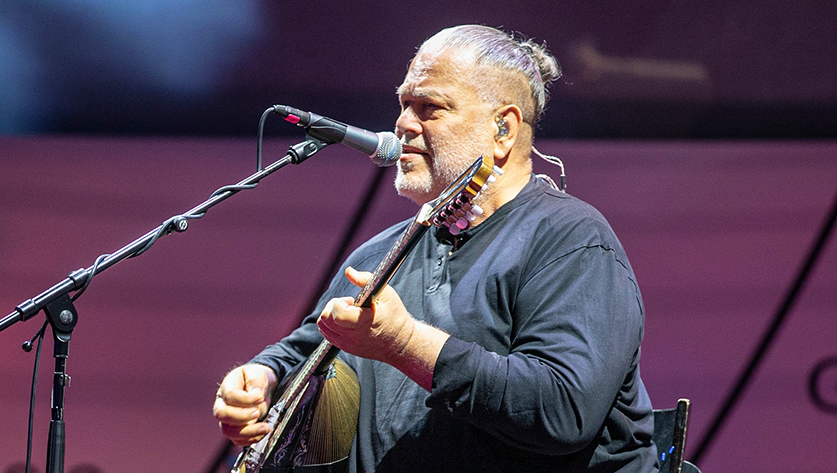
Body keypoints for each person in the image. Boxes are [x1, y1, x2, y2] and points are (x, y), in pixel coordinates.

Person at [212, 24, 658, 472]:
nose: (404, 124)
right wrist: (259, 379)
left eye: (430, 108)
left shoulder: (571, 239)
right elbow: (310, 347)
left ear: (503, 129)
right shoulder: (379, 254)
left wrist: (403, 342)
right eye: (404, 104)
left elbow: (563, 409)